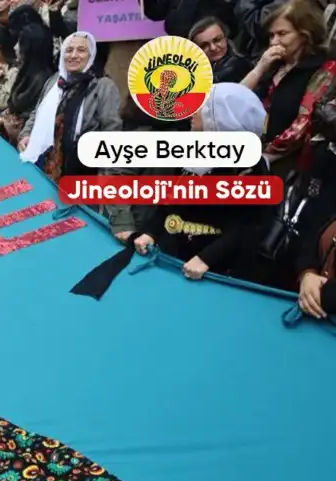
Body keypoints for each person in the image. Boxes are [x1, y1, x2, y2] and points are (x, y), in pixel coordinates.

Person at [132, 83, 277, 283]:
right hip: (175, 255)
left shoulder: (249, 167)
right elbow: (171, 203)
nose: (192, 113)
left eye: (201, 108)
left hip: (215, 270)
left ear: (220, 117)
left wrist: (206, 258)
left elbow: (247, 227)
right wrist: (151, 232)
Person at [240, 0, 335, 177]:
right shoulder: (272, 65)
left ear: (304, 33)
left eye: (282, 34)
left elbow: (300, 128)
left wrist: (261, 158)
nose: (274, 41)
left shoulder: (323, 70)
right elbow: (231, 102)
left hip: (284, 166)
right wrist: (259, 69)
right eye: (271, 35)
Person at [18, 31, 121, 182]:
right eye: (69, 50)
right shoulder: (55, 81)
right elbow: (37, 113)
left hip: (82, 174)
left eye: (81, 50)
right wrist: (26, 134)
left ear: (91, 55)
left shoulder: (103, 86)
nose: (73, 55)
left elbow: (112, 135)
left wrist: (106, 181)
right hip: (43, 166)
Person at [189, 16, 251, 83]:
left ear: (226, 38)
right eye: (204, 45)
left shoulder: (240, 65)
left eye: (217, 40)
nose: (213, 48)